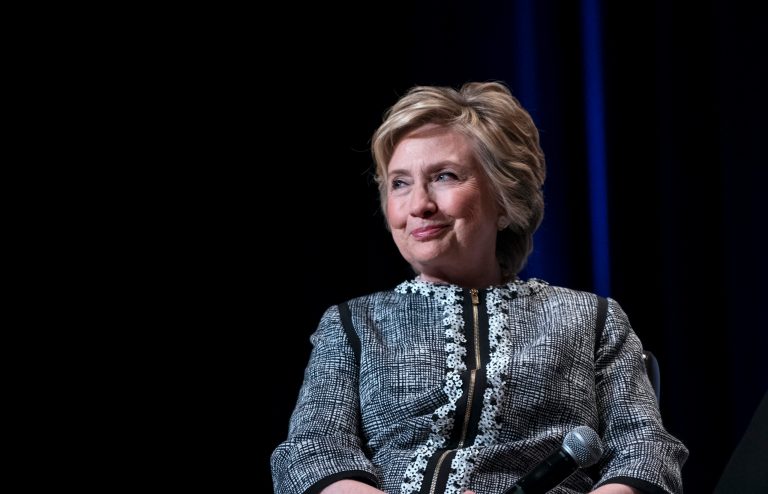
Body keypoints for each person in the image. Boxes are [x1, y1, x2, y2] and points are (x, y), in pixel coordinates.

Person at [271, 81, 688, 494]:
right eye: (399, 183)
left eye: (445, 176)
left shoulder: (592, 320)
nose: (418, 205)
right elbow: (313, 452)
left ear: (505, 200)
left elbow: (645, 451)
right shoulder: (352, 324)